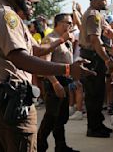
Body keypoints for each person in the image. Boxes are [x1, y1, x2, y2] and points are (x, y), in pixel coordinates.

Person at [0, 0, 94, 151]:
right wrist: (68, 70)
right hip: (8, 99)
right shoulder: (7, 16)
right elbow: (20, 58)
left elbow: (36, 50)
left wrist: (60, 40)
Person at [37, 13, 78, 152]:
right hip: (55, 81)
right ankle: (39, 145)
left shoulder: (65, 39)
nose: (71, 26)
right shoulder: (50, 39)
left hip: (65, 81)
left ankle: (61, 146)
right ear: (59, 23)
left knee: (61, 117)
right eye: (68, 23)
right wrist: (55, 83)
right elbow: (44, 64)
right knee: (51, 116)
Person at [79, 0, 113, 138]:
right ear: (94, 0)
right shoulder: (93, 15)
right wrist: (106, 59)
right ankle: (93, 128)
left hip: (94, 56)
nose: (105, 2)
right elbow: (94, 40)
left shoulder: (97, 14)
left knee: (98, 93)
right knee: (94, 93)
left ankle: (98, 124)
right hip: (92, 57)